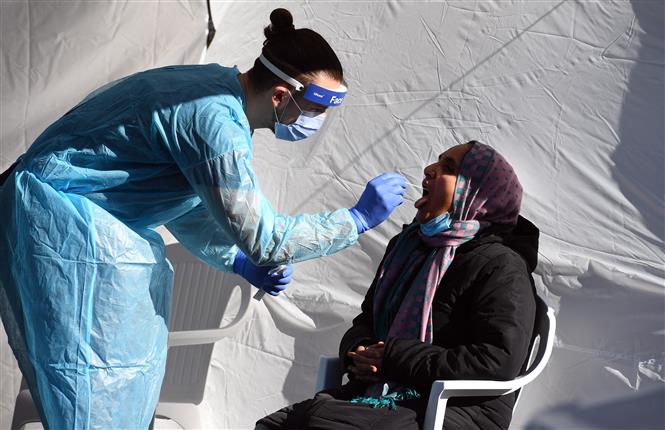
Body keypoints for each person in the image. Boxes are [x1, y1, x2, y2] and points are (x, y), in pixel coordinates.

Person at [0, 8, 406, 430]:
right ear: (281, 96)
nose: (316, 123)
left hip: (75, 224)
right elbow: (265, 238)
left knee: (107, 388)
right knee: (93, 386)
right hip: (66, 231)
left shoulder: (213, 91)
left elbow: (185, 199)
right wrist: (356, 219)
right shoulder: (215, 124)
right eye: (315, 109)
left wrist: (237, 262)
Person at [256, 141, 539, 430]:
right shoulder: (409, 247)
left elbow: (496, 360)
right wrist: (360, 351)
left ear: (476, 195)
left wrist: (393, 357)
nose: (429, 170)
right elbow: (366, 320)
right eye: (436, 162)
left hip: (455, 410)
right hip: (383, 397)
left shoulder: (501, 265)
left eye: (449, 168)